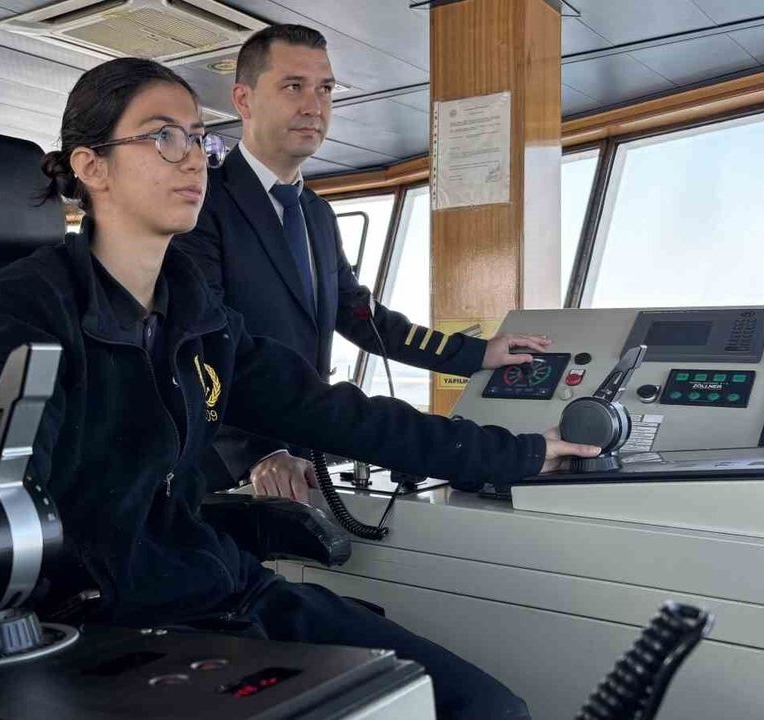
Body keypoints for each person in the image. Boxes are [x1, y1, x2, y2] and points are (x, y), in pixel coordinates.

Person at [0, 57, 600, 720]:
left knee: (487, 708)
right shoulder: (25, 307)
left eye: (200, 139)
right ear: (92, 167)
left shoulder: (196, 313)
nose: (195, 160)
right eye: (162, 137)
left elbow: (338, 413)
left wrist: (519, 454)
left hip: (220, 590)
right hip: (99, 624)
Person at [174, 25, 551, 500]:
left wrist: (474, 354)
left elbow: (362, 317)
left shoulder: (316, 214)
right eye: (293, 86)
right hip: (224, 472)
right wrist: (257, 453)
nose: (314, 106)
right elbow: (204, 350)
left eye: (325, 89)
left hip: (303, 454)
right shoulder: (201, 204)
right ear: (243, 100)